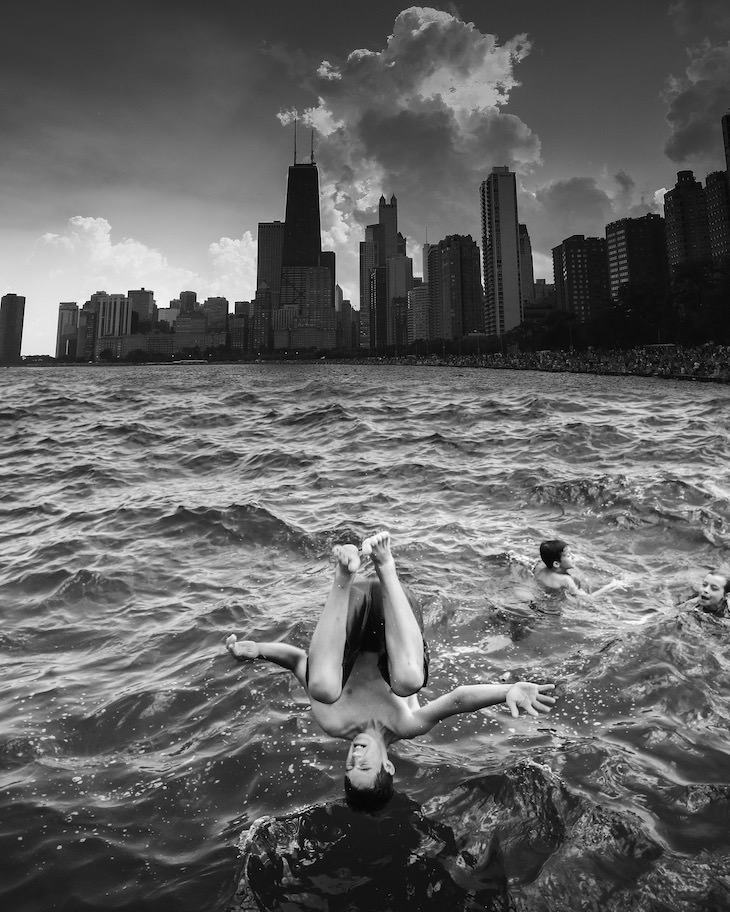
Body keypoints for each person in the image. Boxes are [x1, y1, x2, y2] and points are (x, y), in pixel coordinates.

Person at [227, 531, 556, 812]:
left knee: (323, 688)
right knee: (409, 682)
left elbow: (299, 661)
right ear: (387, 764)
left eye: (349, 766)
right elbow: (459, 700)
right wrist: (506, 690)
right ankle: (386, 564)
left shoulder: (333, 721)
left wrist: (259, 650)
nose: (355, 757)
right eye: (364, 766)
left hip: (352, 610)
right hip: (394, 611)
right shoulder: (406, 723)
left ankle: (343, 572)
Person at [534, 539, 624, 598]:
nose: (573, 556)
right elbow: (588, 598)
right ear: (556, 564)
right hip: (552, 607)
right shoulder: (566, 580)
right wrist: (611, 586)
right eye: (569, 555)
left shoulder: (541, 568)